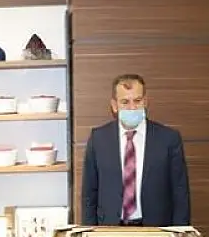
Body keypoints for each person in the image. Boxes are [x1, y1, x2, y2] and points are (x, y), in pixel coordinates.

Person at [81, 74, 190, 227]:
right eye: (125, 102)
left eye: (137, 101)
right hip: (110, 228)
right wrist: (90, 231)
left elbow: (180, 193)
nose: (132, 108)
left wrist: (180, 233)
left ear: (145, 101)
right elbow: (89, 193)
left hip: (156, 229)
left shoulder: (168, 139)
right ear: (114, 105)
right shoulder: (98, 139)